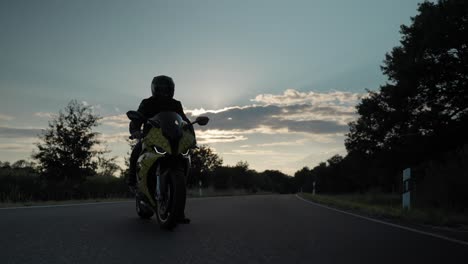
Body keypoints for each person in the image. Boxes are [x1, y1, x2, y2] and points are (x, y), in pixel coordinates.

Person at [128, 75, 192, 223]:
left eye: (166, 89)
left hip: (172, 138)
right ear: (154, 89)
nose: (164, 92)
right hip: (151, 137)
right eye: (160, 89)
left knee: (183, 159)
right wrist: (135, 130)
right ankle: (132, 181)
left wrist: (190, 132)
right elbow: (137, 118)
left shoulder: (176, 104)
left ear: (172, 90)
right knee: (136, 150)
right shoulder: (147, 103)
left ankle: (179, 211)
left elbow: (184, 120)